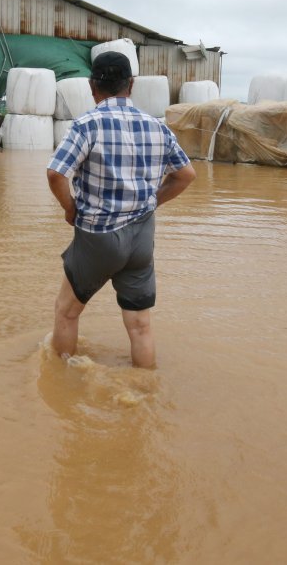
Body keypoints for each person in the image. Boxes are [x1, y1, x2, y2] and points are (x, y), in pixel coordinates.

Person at [46, 52, 197, 368]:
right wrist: (153, 200)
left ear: (92, 87)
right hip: (141, 239)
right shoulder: (157, 127)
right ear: (131, 84)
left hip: (98, 236)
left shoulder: (87, 125)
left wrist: (70, 208)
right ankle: (145, 391)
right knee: (140, 325)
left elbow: (56, 174)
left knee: (66, 311)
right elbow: (186, 175)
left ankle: (60, 382)